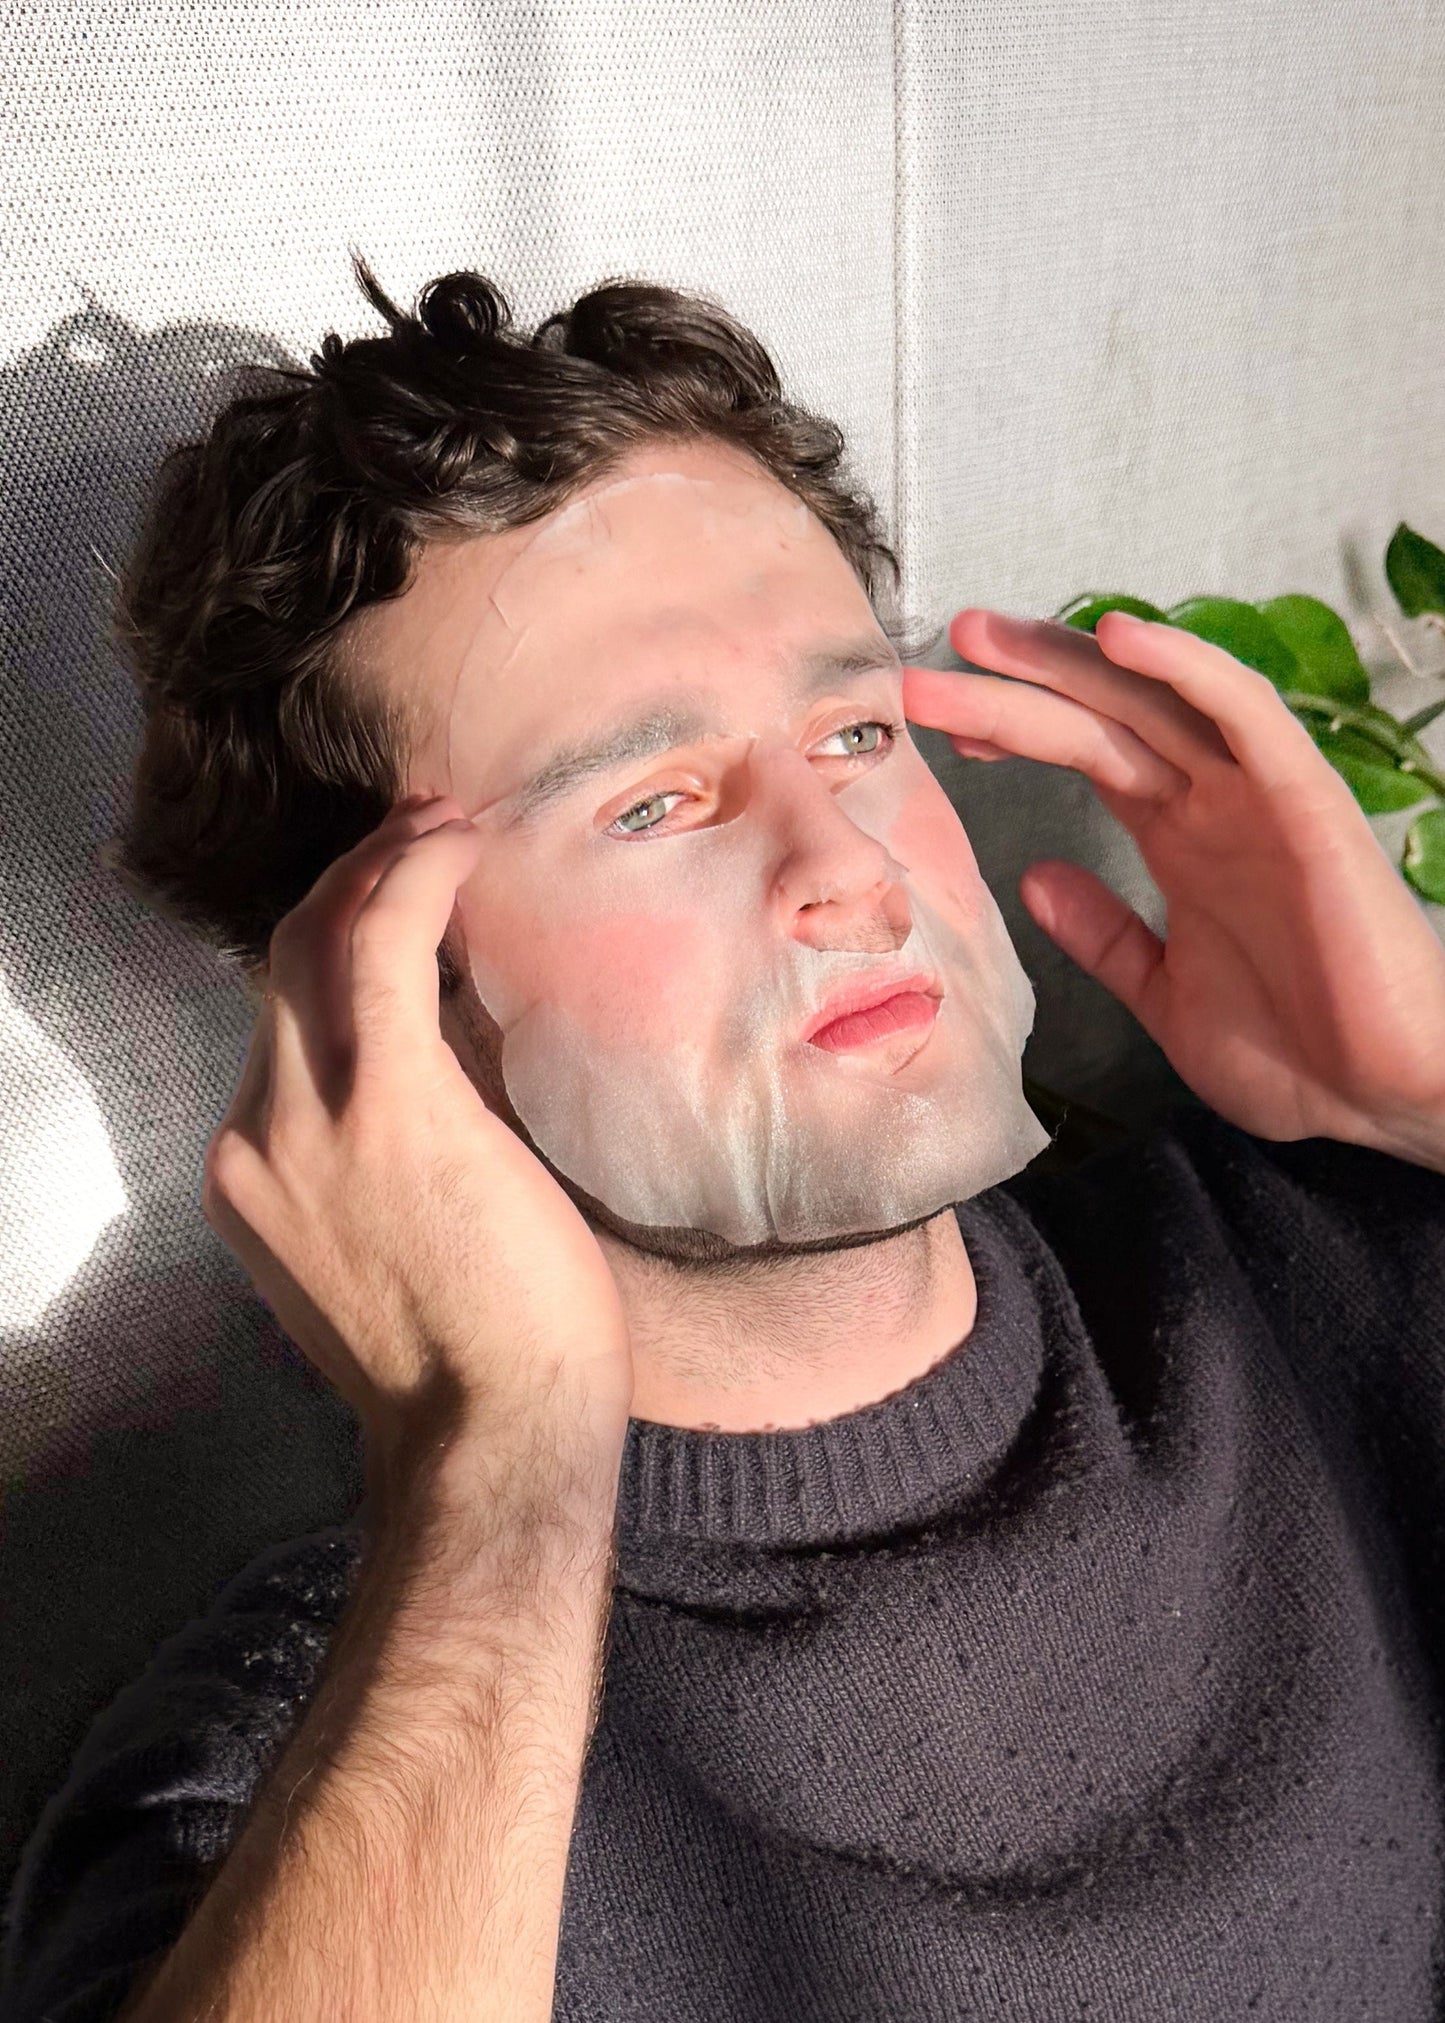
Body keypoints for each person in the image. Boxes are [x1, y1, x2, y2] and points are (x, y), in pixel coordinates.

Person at [3, 255, 1443, 2022]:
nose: (846, 865)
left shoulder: (1333, 1291)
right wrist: (508, 1480)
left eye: (851, 731)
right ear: (380, 996)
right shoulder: (286, 1801)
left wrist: (1429, 1099)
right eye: (653, 801)